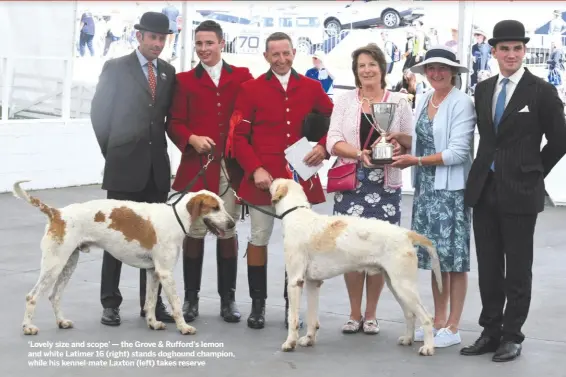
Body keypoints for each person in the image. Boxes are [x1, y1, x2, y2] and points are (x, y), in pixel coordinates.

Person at [462, 20, 566, 362]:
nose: (511, 54)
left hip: (520, 190)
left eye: (517, 48)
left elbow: (560, 139)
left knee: (518, 268)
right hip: (485, 189)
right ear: (493, 52)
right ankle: (490, 331)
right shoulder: (483, 89)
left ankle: (512, 335)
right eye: (504, 49)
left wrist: (533, 171)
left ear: (524, 51)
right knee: (489, 267)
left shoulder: (540, 90)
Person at [227, 32, 334, 329]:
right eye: (275, 54)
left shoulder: (312, 87)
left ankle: (293, 306)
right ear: (266, 57)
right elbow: (239, 137)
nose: (282, 59)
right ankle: (258, 305)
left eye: (286, 53)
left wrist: (322, 147)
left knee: (299, 244)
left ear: (294, 53)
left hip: (299, 181)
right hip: (263, 179)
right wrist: (255, 169)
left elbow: (336, 122)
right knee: (258, 239)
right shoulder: (250, 89)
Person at [90, 12, 176, 326]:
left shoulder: (168, 72)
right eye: (151, 37)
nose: (157, 43)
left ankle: (149, 304)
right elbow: (99, 114)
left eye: (162, 38)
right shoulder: (115, 68)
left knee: (153, 240)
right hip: (124, 168)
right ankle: (110, 303)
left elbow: (166, 120)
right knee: (114, 237)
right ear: (138, 37)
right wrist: (113, 152)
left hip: (156, 170)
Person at [387, 46, 476, 348]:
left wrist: (417, 161)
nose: (436, 73)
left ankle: (454, 325)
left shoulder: (462, 103)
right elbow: (424, 139)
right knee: (437, 259)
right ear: (425, 72)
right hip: (426, 192)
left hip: (450, 192)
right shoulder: (425, 98)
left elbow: (457, 153)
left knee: (455, 261)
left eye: (443, 68)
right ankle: (439, 321)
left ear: (453, 73)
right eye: (431, 68)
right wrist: (400, 140)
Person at [167, 20, 253, 324]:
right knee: (194, 233)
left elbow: (250, 118)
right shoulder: (184, 80)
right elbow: (174, 121)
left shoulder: (242, 77)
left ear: (221, 42)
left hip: (229, 169)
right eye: (199, 44)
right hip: (197, 167)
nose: (204, 49)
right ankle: (191, 299)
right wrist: (190, 138)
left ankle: (228, 300)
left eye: (209, 43)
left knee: (227, 230)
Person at [325, 43, 413, 335]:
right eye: (361, 65)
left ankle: (372, 314)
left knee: (377, 252)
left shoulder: (399, 102)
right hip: (351, 183)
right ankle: (353, 313)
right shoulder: (345, 100)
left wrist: (398, 141)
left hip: (386, 186)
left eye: (372, 64)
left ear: (382, 68)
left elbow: (410, 141)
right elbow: (332, 139)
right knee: (351, 251)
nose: (366, 70)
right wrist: (357, 153)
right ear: (356, 71)